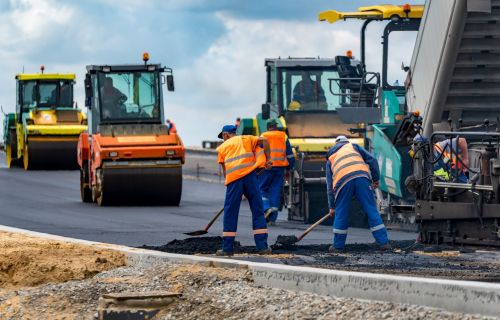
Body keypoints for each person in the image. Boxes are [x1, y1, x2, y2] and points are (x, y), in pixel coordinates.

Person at [326, 135, 390, 252]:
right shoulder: (353, 146)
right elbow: (372, 160)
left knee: (341, 213)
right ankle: (383, 242)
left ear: (336, 144)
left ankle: (338, 246)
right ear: (346, 142)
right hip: (362, 178)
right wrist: (375, 179)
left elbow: (330, 186)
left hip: (342, 182)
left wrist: (332, 207)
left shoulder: (331, 157)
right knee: (371, 209)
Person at [216, 125, 273, 256]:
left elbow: (225, 172)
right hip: (250, 177)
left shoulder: (222, 148)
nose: (223, 140)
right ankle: (263, 247)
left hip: (234, 181)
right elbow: (264, 140)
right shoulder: (246, 138)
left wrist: (233, 190)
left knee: (230, 212)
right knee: (258, 210)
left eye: (223, 137)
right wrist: (269, 159)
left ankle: (227, 248)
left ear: (226, 135)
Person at [258, 119, 295, 225]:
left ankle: (266, 207)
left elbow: (258, 152)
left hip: (266, 167)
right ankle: (272, 219)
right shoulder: (283, 136)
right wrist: (290, 167)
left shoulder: (263, 136)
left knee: (261, 189)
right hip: (280, 168)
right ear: (276, 126)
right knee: (275, 191)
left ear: (268, 127)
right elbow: (290, 154)